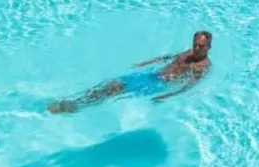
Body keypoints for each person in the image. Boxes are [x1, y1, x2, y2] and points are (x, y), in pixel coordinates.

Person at [49, 31, 213, 113]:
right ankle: (76, 99)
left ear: (209, 46)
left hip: (158, 85)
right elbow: (167, 57)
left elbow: (189, 87)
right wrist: (146, 62)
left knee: (115, 90)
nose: (196, 48)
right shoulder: (187, 52)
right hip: (150, 75)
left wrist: (166, 96)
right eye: (195, 44)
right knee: (112, 83)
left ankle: (77, 105)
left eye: (201, 46)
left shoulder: (203, 66)